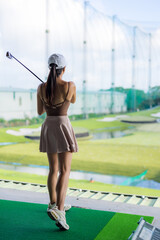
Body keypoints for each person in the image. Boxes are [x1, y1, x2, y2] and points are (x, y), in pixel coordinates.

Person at [37, 54, 78, 231]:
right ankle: (60, 212)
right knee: (65, 170)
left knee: (53, 169)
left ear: (50, 69)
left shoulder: (41, 87)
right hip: (62, 124)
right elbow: (73, 100)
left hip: (48, 125)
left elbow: (40, 111)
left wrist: (47, 91)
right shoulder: (70, 85)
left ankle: (53, 204)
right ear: (64, 69)